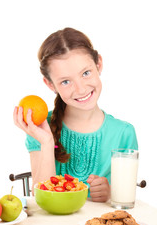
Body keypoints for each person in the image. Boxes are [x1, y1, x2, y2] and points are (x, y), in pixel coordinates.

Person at [13, 27, 138, 202]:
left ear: (98, 64)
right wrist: (47, 143)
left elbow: (125, 199)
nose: (80, 89)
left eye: (86, 73)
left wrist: (110, 193)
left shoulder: (123, 133)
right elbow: (42, 201)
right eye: (65, 81)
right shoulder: (41, 128)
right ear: (50, 85)